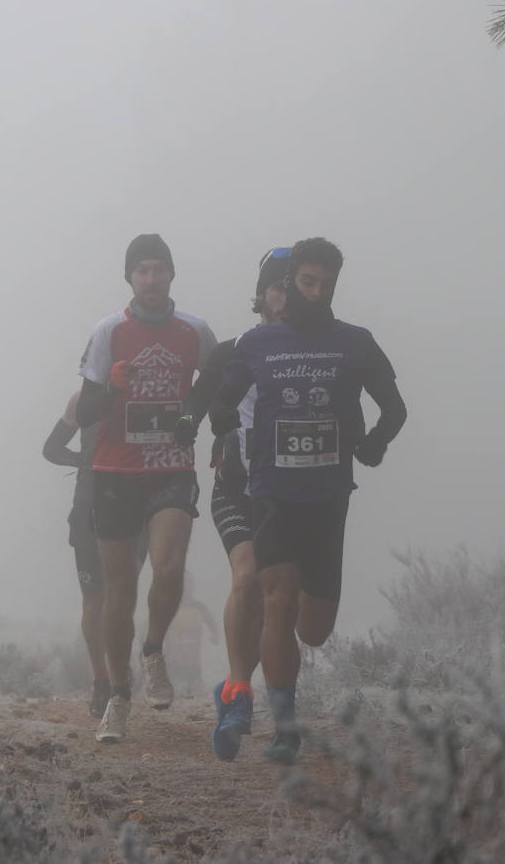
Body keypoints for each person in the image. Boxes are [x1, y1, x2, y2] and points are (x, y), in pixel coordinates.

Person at [210, 237, 407, 764]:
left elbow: (395, 408)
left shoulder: (355, 342)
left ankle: (281, 668)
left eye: (326, 285)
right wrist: (227, 436)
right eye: (307, 282)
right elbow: (222, 400)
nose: (317, 293)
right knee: (275, 598)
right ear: (292, 280)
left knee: (313, 629)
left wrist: (372, 445)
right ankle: (284, 727)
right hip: (272, 493)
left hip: (328, 497)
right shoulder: (256, 344)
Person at [75, 233, 217, 744]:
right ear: (130, 278)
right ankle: (118, 696)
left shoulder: (195, 331)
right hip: (115, 472)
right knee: (119, 593)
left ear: (172, 274)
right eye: (142, 270)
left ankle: (153, 648)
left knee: (170, 566)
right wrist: (112, 388)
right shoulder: (109, 331)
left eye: (159, 269)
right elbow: (84, 411)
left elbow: (216, 385)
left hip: (171, 468)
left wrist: (191, 415)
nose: (151, 279)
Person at [173, 246, 289, 760]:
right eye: (276, 285)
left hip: (292, 494)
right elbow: (200, 401)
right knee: (246, 577)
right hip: (235, 485)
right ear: (261, 293)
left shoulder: (318, 355)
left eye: (294, 285)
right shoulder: (233, 349)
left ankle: (233, 687)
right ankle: (240, 692)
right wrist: (184, 424)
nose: (285, 296)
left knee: (275, 599)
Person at [43, 390, 114, 718]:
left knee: (119, 596)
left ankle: (119, 679)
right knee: (94, 600)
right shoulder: (82, 398)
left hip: (131, 507)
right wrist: (83, 459)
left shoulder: (147, 391)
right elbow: (51, 448)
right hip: (87, 508)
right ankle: (102, 681)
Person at [163, 571, 220, 698]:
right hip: (173, 658)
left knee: (194, 686)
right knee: (175, 685)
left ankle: (192, 690)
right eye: (182, 583)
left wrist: (214, 634)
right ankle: (176, 691)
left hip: (193, 658)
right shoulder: (168, 606)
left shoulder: (198, 607)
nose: (186, 587)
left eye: (189, 583)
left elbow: (211, 621)